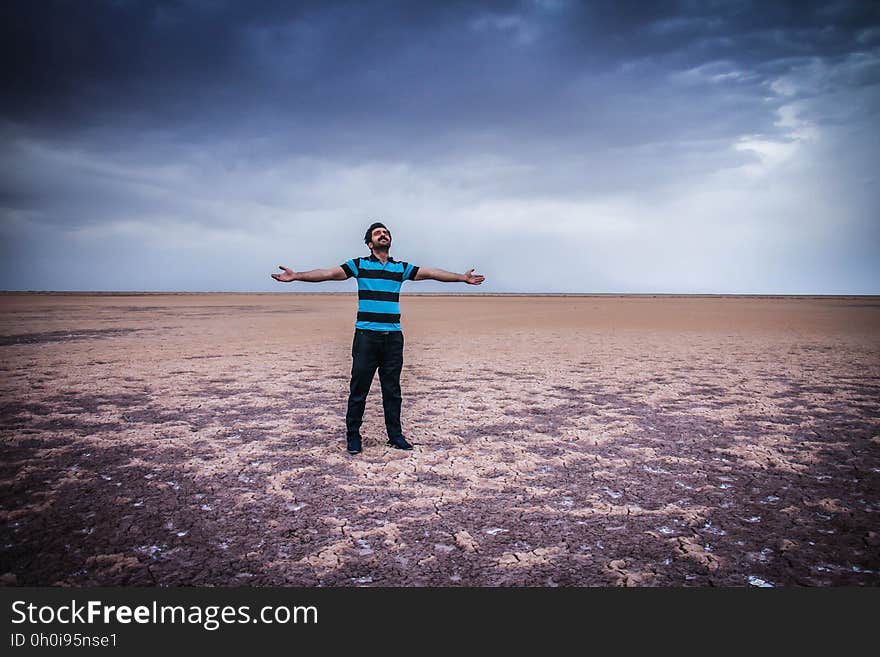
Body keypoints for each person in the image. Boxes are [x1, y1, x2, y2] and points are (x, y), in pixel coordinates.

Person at [271, 222, 485, 455]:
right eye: (378, 233)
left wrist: (461, 279)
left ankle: (395, 436)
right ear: (370, 243)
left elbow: (432, 273)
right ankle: (353, 437)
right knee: (359, 389)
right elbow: (328, 273)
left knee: (392, 390)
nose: (383, 235)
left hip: (393, 338)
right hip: (366, 337)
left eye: (386, 232)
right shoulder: (359, 265)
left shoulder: (400, 268)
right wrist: (297, 276)